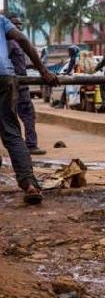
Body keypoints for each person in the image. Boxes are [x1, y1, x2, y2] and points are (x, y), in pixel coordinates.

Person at [0, 14, 58, 204]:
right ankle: (29, 184)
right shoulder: (1, 20)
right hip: (4, 78)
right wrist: (43, 70)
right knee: (11, 133)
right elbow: (23, 39)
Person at [7, 14, 47, 155]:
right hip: (15, 83)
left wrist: (34, 67)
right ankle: (29, 145)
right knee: (25, 114)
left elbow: (22, 63)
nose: (18, 28)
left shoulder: (15, 44)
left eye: (19, 26)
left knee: (23, 114)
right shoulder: (10, 43)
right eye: (15, 25)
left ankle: (26, 145)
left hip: (19, 82)